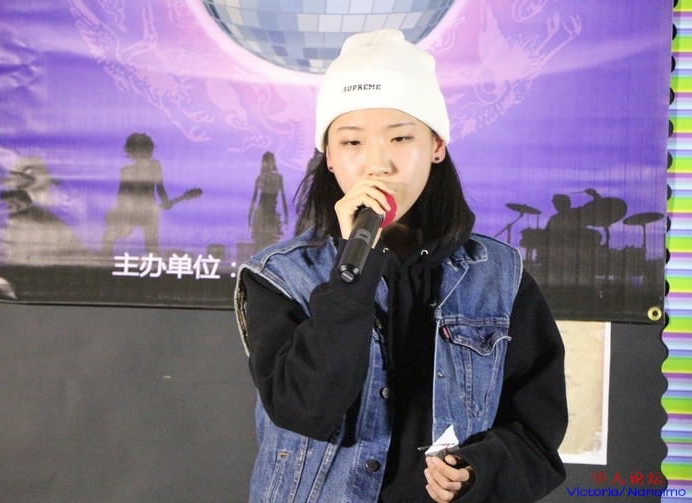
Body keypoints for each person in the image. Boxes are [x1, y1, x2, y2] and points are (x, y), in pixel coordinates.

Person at [234, 29, 567, 502]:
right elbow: (306, 410)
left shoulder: (498, 276)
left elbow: (535, 433)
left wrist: (478, 470)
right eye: (352, 142)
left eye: (401, 137)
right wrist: (352, 276)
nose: (379, 164)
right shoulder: (280, 277)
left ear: (436, 146)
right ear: (329, 158)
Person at [102, 132, 170, 256]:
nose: (142, 154)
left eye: (145, 150)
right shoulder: (126, 171)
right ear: (132, 151)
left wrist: (165, 201)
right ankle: (103, 262)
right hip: (130, 210)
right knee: (111, 235)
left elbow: (160, 188)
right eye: (138, 150)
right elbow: (121, 194)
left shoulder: (155, 166)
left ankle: (157, 266)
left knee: (152, 244)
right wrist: (121, 213)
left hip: (149, 210)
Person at [248, 151, 289, 251]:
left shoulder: (263, 178)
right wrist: (286, 217)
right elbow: (254, 200)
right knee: (268, 245)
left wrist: (249, 218)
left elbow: (254, 200)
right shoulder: (273, 178)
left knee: (266, 245)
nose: (266, 164)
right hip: (265, 214)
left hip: (266, 214)